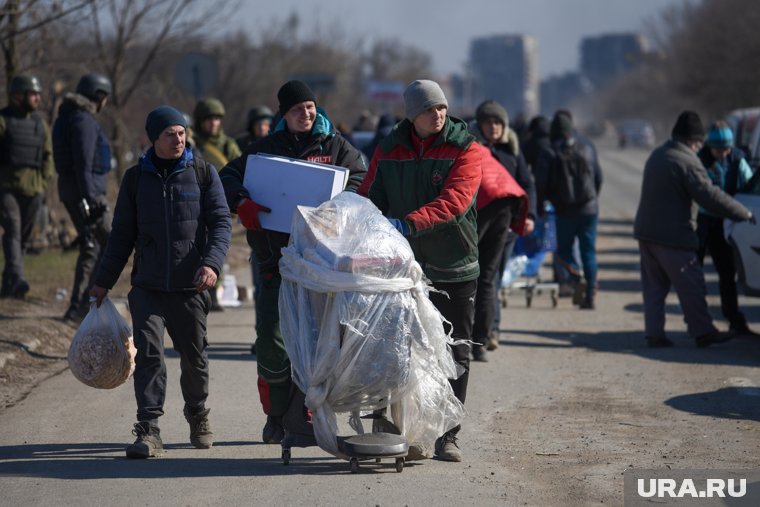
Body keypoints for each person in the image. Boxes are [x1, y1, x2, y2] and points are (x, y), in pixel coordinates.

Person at [219, 80, 366, 445]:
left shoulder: (334, 146)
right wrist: (242, 202)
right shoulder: (266, 148)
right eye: (298, 109)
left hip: (322, 266)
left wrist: (342, 203)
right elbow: (227, 177)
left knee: (320, 343)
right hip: (277, 263)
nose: (306, 114)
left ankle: (310, 413)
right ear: (284, 114)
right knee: (272, 342)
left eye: (311, 108)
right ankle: (275, 416)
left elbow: (362, 178)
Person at [90, 106, 231, 458]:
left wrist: (212, 264)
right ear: (152, 139)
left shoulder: (202, 174)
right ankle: (149, 428)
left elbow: (221, 225)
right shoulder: (136, 179)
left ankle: (197, 413)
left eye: (182, 133)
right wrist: (102, 281)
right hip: (149, 286)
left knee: (194, 358)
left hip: (190, 287)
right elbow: (121, 235)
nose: (178, 139)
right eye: (170, 134)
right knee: (150, 355)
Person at [357, 79, 481, 462]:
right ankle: (391, 427)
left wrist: (408, 223)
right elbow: (368, 197)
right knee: (393, 349)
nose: (438, 114)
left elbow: (456, 200)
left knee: (455, 351)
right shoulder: (390, 149)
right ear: (413, 116)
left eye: (442, 107)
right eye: (429, 110)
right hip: (401, 268)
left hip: (453, 265)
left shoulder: (465, 148)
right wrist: (357, 225)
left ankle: (448, 435)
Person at [634, 111, 754, 348]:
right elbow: (709, 195)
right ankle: (703, 331)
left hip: (647, 233)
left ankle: (654, 334)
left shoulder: (658, 154)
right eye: (699, 143)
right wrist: (743, 212)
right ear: (692, 141)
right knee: (692, 284)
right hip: (673, 236)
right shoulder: (687, 162)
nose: (700, 148)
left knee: (654, 288)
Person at [471, 100, 536, 352]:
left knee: (492, 278)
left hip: (506, 227)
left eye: (498, 122)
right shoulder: (471, 147)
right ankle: (484, 333)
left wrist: (530, 215)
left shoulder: (512, 151)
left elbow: (527, 184)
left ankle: (490, 332)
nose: (494, 127)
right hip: (479, 223)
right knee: (483, 278)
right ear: (481, 125)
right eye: (489, 122)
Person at [52, 72, 113, 323]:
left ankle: (84, 304)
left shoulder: (66, 117)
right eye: (105, 97)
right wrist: (91, 200)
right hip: (85, 192)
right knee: (105, 242)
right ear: (98, 96)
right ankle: (82, 305)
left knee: (95, 244)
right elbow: (83, 163)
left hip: (72, 191)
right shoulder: (83, 121)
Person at [696, 121, 758, 337]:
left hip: (727, 222)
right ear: (710, 147)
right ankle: (698, 323)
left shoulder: (737, 160)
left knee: (727, 273)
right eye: (719, 149)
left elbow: (749, 184)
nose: (724, 153)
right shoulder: (699, 162)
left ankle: (734, 319)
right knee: (694, 274)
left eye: (727, 148)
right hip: (704, 222)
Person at [535, 111, 602, 309]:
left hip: (564, 211)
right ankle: (591, 291)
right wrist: (592, 200)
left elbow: (540, 184)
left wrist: (540, 207)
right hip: (589, 209)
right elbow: (598, 177)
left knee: (563, 250)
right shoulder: (587, 147)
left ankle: (575, 274)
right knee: (588, 251)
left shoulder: (549, 151)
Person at [0, 75, 54, 299]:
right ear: (18, 95)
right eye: (33, 94)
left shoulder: (39, 124)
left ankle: (9, 285)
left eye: (38, 94)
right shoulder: (3, 120)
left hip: (34, 190)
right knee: (13, 231)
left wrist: (43, 183)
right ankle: (20, 279)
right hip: (7, 188)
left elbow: (48, 156)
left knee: (22, 237)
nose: (37, 98)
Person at [193, 97, 242, 171]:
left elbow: (240, 169)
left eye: (216, 119)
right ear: (201, 121)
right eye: (209, 119)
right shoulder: (192, 142)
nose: (213, 123)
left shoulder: (228, 145)